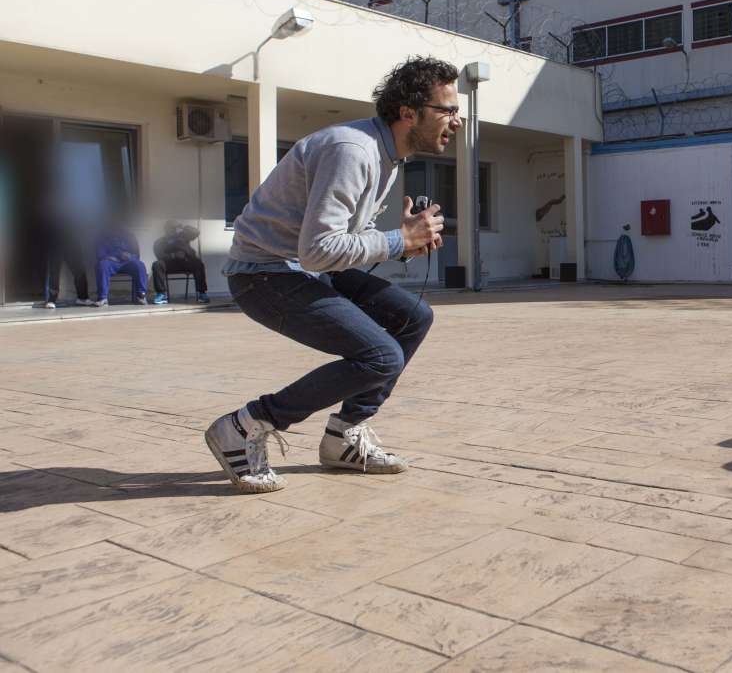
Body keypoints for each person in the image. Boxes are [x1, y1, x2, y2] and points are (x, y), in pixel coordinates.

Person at [204, 56, 460, 494]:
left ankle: (344, 437)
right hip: (263, 274)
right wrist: (397, 239)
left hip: (302, 268)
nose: (456, 121)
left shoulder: (386, 156)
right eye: (447, 110)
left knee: (414, 316)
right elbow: (320, 249)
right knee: (381, 356)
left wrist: (406, 241)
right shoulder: (354, 151)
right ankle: (244, 425)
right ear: (408, 112)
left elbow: (340, 245)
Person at [151, 220, 210, 304]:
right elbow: (159, 255)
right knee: (157, 264)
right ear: (165, 230)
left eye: (174, 229)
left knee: (198, 263)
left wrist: (182, 226)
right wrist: (174, 255)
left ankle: (202, 293)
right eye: (170, 229)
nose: (172, 231)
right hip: (169, 264)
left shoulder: (182, 237)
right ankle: (161, 294)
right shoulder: (160, 241)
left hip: (184, 263)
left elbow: (196, 232)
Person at [93, 225, 149, 306]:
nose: (116, 229)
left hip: (127, 262)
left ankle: (141, 296)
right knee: (102, 265)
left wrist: (129, 256)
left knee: (140, 265)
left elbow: (136, 254)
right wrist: (108, 257)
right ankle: (103, 298)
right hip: (111, 262)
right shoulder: (103, 236)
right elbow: (99, 253)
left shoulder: (130, 236)